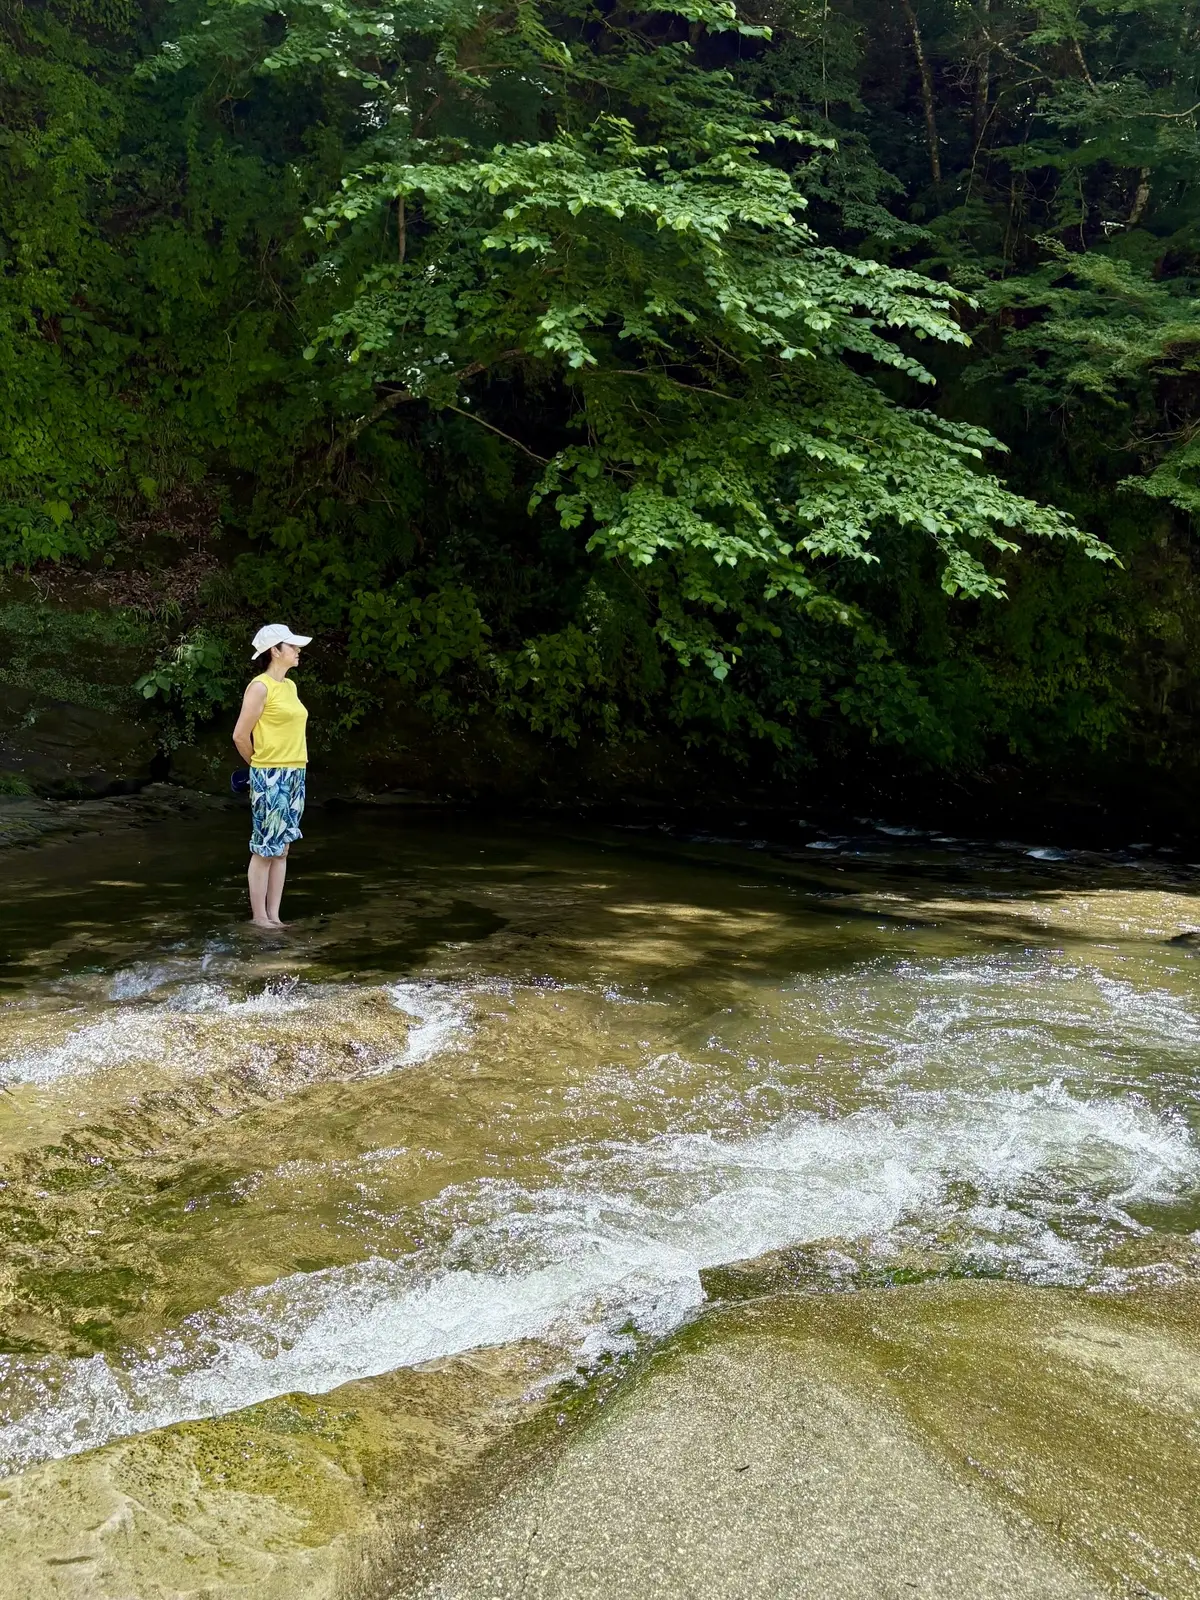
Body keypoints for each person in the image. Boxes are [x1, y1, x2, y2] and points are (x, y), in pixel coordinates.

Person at [232, 624, 312, 928]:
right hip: (271, 774)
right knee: (265, 847)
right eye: (291, 646)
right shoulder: (260, 687)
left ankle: (275, 916)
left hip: (296, 772)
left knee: (282, 848)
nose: (297, 651)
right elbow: (240, 735)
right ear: (274, 651)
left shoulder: (289, 687)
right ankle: (259, 918)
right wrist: (261, 768)